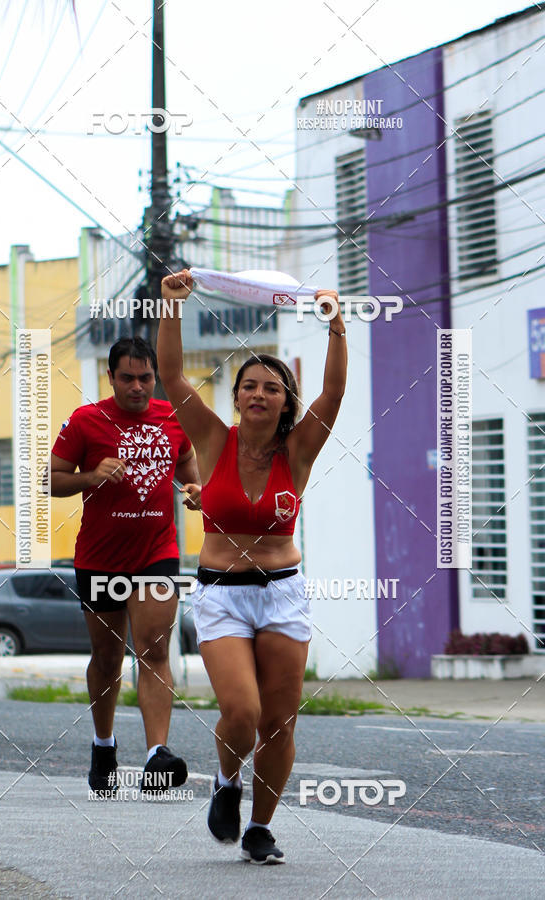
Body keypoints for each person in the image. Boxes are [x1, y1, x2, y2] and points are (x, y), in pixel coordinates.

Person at [157, 269, 347, 864]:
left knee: (280, 724)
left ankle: (260, 827)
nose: (258, 395)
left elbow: (334, 394)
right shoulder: (213, 439)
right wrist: (171, 306)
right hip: (221, 595)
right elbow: (169, 375)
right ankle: (227, 780)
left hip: (283, 594)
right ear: (235, 397)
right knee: (242, 712)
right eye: (249, 387)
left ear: (285, 401)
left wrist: (335, 324)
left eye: (271, 387)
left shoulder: (300, 450)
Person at [49, 336, 201, 795]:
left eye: (146, 377)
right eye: (128, 378)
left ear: (155, 377)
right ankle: (103, 744)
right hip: (100, 559)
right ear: (111, 377)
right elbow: (50, 480)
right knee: (109, 657)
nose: (138, 387)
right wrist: (91, 476)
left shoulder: (172, 417)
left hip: (156, 553)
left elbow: (189, 467)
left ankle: (157, 755)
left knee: (154, 649)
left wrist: (194, 492)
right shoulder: (86, 421)